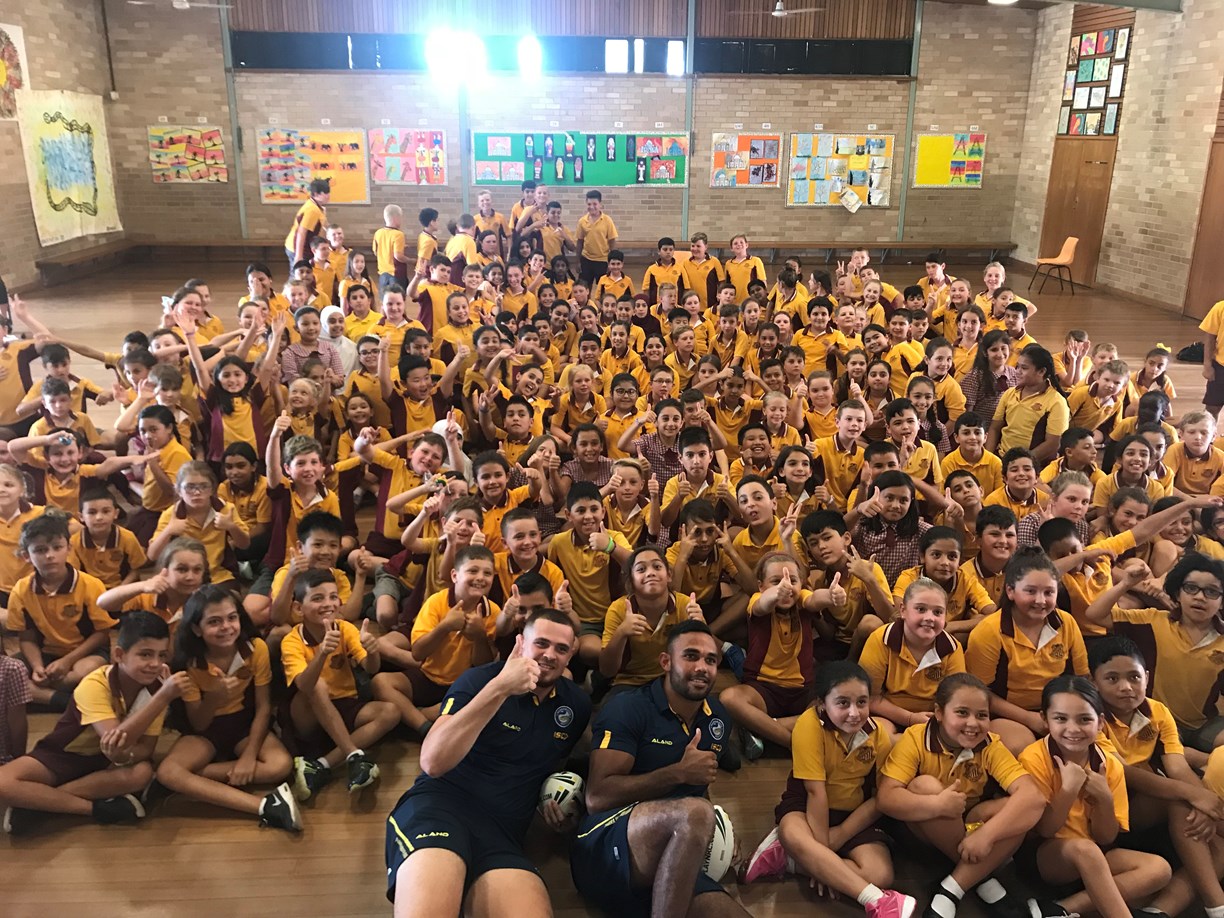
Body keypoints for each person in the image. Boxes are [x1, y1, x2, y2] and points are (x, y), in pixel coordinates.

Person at [385, 610, 590, 918]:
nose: (550, 655)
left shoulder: (576, 705)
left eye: (561, 649)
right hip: (439, 810)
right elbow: (432, 761)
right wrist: (500, 687)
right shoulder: (479, 679)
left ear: (571, 654)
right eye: (541, 644)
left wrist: (556, 805)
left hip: (501, 833)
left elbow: (549, 766)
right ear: (521, 643)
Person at [571, 620, 750, 917]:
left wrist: (719, 830)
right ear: (666, 662)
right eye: (690, 656)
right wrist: (678, 773)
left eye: (710, 660)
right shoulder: (627, 708)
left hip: (671, 858)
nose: (702, 667)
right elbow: (597, 798)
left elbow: (696, 790)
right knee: (696, 813)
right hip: (603, 846)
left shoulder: (717, 717)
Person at [742, 661, 916, 916]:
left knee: (880, 874)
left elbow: (880, 798)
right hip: (806, 806)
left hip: (853, 814)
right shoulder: (809, 725)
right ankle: (878, 902)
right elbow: (815, 791)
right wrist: (824, 848)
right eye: (843, 703)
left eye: (862, 702)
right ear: (822, 703)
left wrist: (832, 847)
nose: (854, 713)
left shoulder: (879, 736)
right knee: (792, 833)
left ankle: (790, 859)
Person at [876, 672, 1047, 918]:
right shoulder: (915, 738)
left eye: (982, 715)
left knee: (1021, 810)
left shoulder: (990, 744)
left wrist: (987, 835)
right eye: (962, 713)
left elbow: (1033, 796)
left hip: (971, 833)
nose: (973, 723)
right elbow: (886, 798)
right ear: (939, 713)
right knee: (925, 785)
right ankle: (981, 878)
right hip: (924, 834)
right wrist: (938, 805)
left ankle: (952, 888)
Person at [0, 611, 186, 834]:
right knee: (3, 782)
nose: (155, 664)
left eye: (162, 655)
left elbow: (144, 749)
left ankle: (40, 804)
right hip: (62, 756)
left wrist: (123, 756)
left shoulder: (158, 688)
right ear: (119, 655)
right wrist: (162, 698)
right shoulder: (96, 683)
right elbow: (114, 739)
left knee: (142, 773)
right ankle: (95, 809)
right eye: (145, 655)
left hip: (105, 765)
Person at [1017, 675, 1172, 918]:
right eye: (1060, 718)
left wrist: (1105, 799)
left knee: (1159, 869)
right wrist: (1068, 790)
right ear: (1045, 719)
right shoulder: (1033, 758)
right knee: (1086, 851)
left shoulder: (1110, 764)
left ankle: (1061, 909)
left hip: (1096, 855)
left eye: (1084, 719)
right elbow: (1044, 830)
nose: (1073, 729)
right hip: (1047, 857)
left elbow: (1106, 837)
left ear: (1100, 723)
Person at [155, 585, 299, 831]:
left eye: (232, 618)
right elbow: (199, 723)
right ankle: (265, 806)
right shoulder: (189, 663)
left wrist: (248, 756)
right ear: (196, 628)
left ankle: (189, 780)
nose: (226, 627)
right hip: (206, 731)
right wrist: (215, 697)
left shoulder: (256, 648)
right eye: (214, 622)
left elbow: (264, 707)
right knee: (168, 772)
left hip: (245, 724)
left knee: (281, 765)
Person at [285, 178, 330, 268]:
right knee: (299, 273)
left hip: (305, 248)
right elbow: (301, 232)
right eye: (325, 193)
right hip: (297, 248)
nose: (328, 196)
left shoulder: (316, 206)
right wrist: (299, 256)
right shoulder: (312, 210)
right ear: (316, 194)